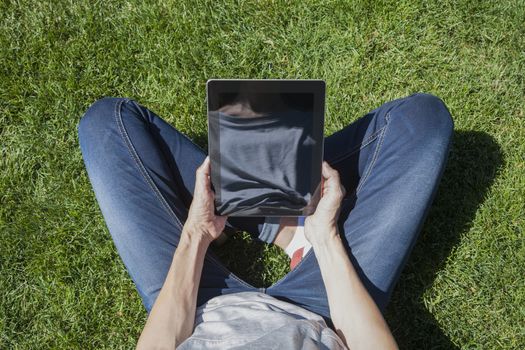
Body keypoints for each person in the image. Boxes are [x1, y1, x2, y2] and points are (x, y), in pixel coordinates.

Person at [78, 92, 453, 349]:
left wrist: (196, 233)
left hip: (190, 307)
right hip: (323, 307)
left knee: (109, 121)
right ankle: (286, 225)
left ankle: (248, 199)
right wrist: (324, 239)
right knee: (421, 120)